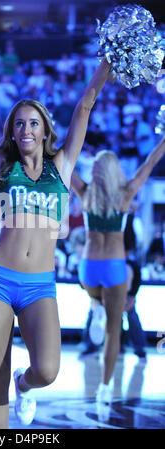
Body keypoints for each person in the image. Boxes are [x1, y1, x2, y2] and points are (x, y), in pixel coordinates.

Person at [0, 57, 112, 429]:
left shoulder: (61, 166)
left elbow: (86, 103)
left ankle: (24, 386)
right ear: (11, 132)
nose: (26, 128)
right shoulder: (2, 166)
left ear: (45, 130)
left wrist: (111, 58)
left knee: (47, 370)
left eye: (33, 123)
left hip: (39, 286)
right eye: (19, 123)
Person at [71, 134, 165, 410]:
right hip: (114, 267)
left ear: (96, 171)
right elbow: (149, 163)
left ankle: (94, 303)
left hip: (88, 267)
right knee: (114, 330)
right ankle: (104, 387)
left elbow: (64, 163)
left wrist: (48, 140)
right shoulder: (125, 194)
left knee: (93, 294)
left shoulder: (86, 193)